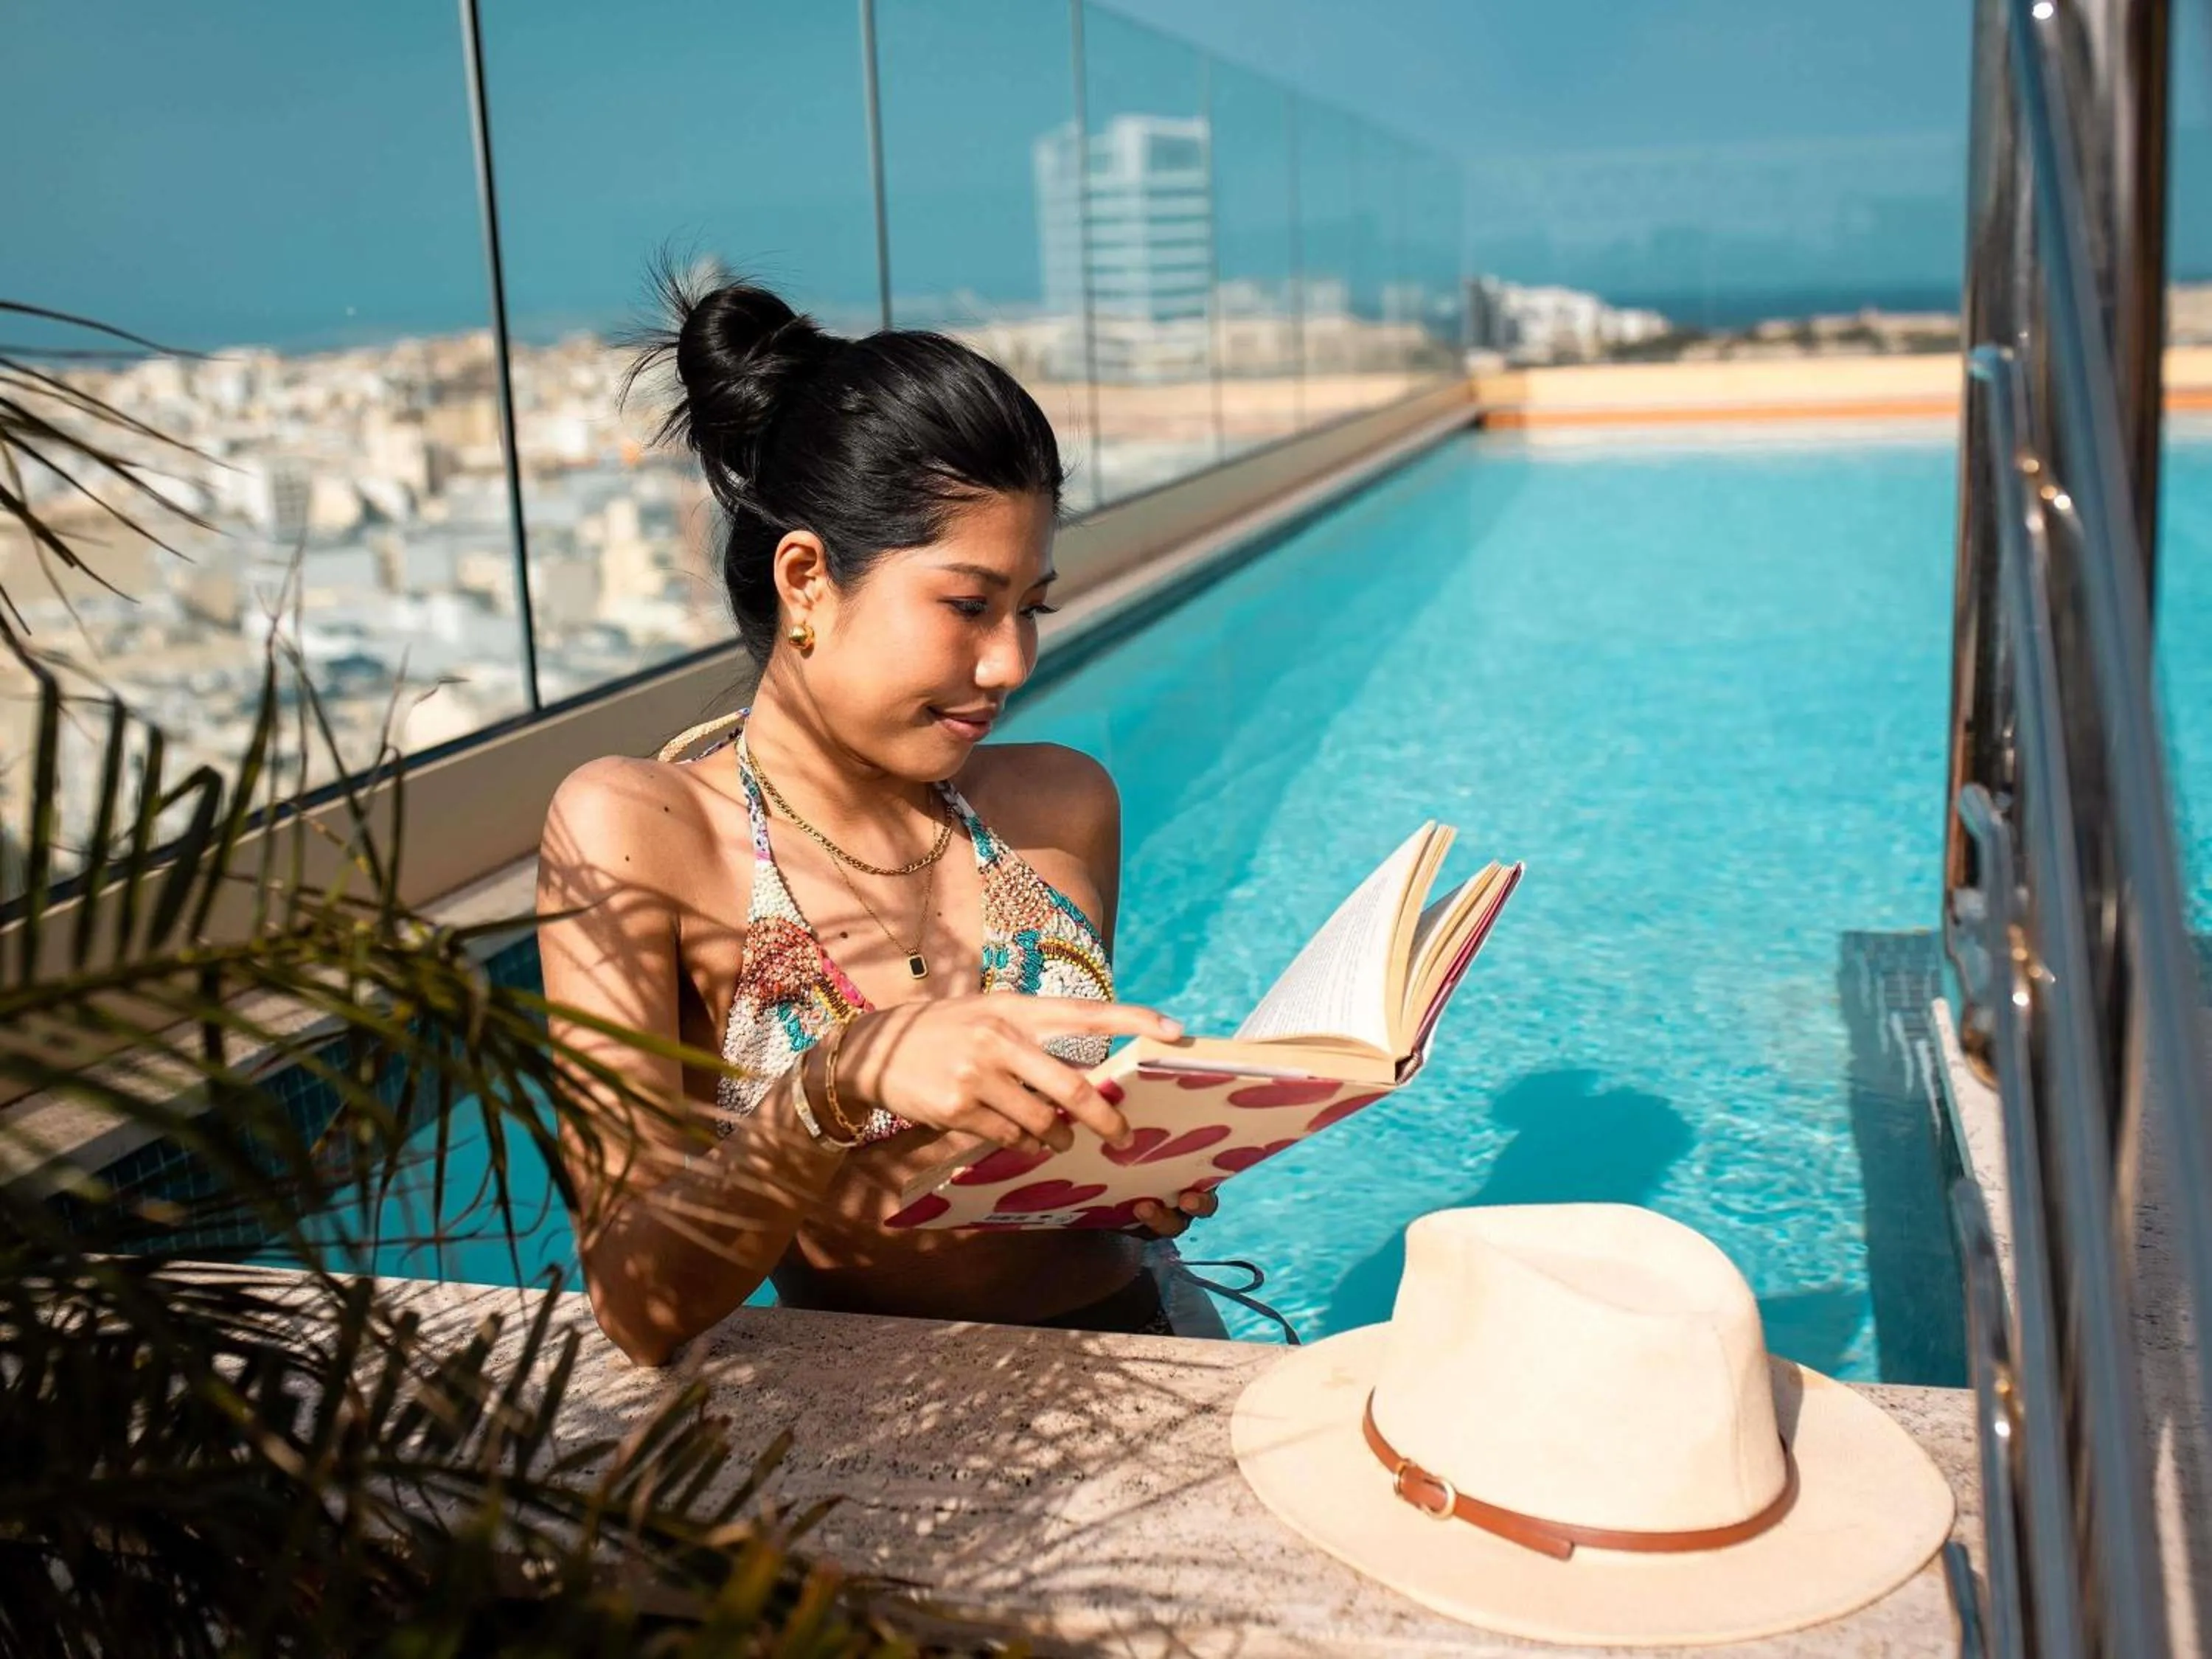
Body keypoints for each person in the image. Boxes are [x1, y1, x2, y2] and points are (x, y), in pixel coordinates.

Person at [536, 274, 1220, 1366]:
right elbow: (635, 1303)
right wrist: (835, 1083)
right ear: (805, 578)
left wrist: (1143, 1166)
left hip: (1156, 1343)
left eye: (1032, 608)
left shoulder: (1059, 806)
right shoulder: (642, 832)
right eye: (968, 606)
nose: (1010, 664)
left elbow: (1083, 1135)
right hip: (886, 1410)